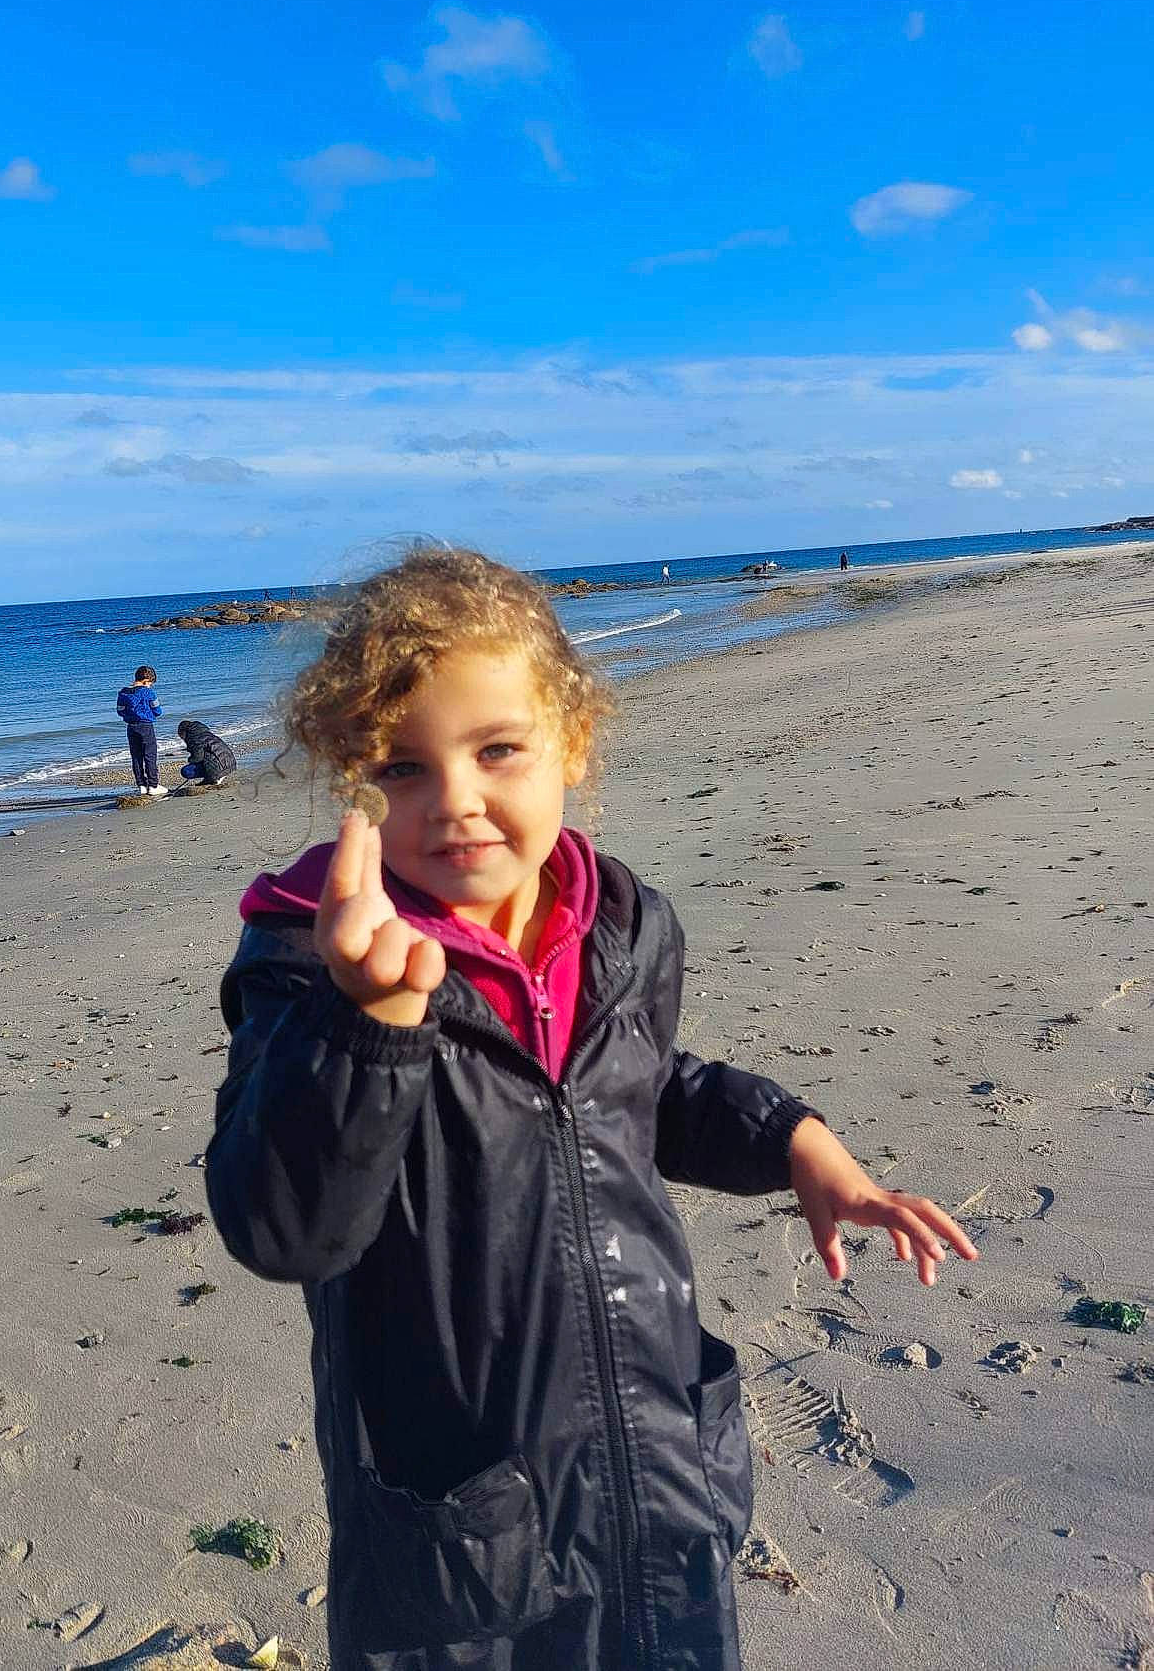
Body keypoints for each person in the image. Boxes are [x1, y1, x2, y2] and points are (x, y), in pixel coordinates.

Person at [205, 547, 976, 1671]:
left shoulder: (624, 925)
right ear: (352, 784)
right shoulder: (307, 966)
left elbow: (636, 1089)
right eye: (401, 769)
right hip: (464, 1523)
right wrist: (368, 1023)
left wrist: (792, 1139)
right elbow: (283, 1228)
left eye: (497, 750)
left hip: (662, 1467)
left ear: (572, 740)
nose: (455, 801)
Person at [115, 664, 167, 796]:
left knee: (136, 756)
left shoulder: (123, 692)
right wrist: (151, 714)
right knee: (150, 755)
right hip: (146, 725)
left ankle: (141, 785)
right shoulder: (148, 692)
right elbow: (157, 710)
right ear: (147, 681)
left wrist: (129, 715)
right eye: (151, 683)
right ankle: (153, 785)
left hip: (131, 726)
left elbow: (120, 711)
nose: (151, 686)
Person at [176, 718, 237, 788]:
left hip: (220, 767)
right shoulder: (205, 733)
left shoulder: (193, 739)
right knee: (206, 758)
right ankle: (212, 777)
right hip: (230, 764)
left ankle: (214, 778)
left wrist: (190, 760)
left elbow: (198, 757)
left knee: (186, 771)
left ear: (184, 732)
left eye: (181, 736)